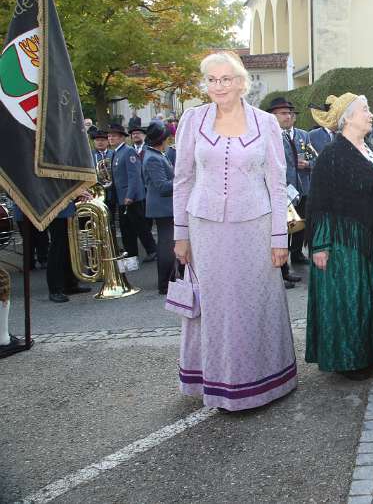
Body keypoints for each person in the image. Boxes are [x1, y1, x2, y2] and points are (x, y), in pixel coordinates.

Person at [172, 51, 297, 411]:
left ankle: (264, 382)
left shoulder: (266, 123)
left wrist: (279, 238)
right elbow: (182, 179)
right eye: (212, 80)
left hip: (256, 226)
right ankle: (216, 382)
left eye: (226, 79)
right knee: (213, 305)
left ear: (242, 83)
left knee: (254, 302)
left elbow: (277, 183)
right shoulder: (193, 120)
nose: (219, 86)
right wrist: (181, 234)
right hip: (204, 227)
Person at [305, 93, 373, 380]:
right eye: (364, 110)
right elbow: (320, 203)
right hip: (345, 241)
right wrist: (320, 245)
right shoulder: (332, 156)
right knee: (353, 299)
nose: (371, 114)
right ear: (347, 118)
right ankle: (351, 359)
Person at [266, 96, 313, 266]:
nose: (288, 116)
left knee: (301, 223)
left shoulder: (303, 136)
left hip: (303, 188)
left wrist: (308, 163)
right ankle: (282, 266)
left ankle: (297, 253)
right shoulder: (270, 137)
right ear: (273, 116)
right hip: (283, 190)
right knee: (283, 228)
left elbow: (314, 159)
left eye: (290, 113)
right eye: (283, 113)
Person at [109, 123, 157, 262]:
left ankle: (152, 250)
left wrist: (130, 195)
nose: (111, 138)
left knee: (140, 226)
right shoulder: (116, 152)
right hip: (121, 196)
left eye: (114, 136)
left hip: (132, 198)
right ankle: (131, 254)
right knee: (126, 229)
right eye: (110, 136)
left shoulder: (128, 151)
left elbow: (134, 175)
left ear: (122, 138)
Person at [143, 123, 176, 295]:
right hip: (163, 207)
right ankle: (164, 284)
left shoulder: (156, 154)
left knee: (168, 244)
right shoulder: (153, 157)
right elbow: (162, 186)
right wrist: (183, 178)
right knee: (166, 245)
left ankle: (169, 280)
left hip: (164, 206)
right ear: (162, 139)